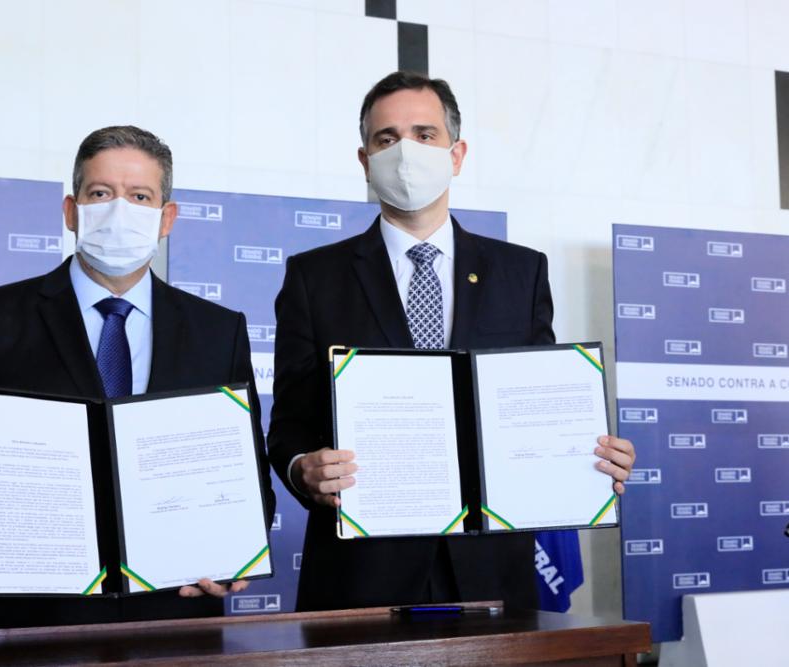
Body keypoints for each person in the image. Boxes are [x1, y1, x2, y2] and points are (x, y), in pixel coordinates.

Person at [267, 71, 634, 611]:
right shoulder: (313, 278)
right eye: (386, 139)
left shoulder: (520, 273)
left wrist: (592, 457)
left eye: (425, 134)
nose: (406, 152)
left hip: (491, 574)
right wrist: (304, 468)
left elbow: (537, 408)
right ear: (365, 161)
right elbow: (289, 424)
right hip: (360, 578)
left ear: (456, 154)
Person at [0, 125, 275, 628]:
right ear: (71, 211)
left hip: (175, 624)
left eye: (140, 196)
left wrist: (234, 551)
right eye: (101, 193)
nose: (120, 210)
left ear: (167, 218)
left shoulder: (219, 331)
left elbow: (248, 483)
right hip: (28, 628)